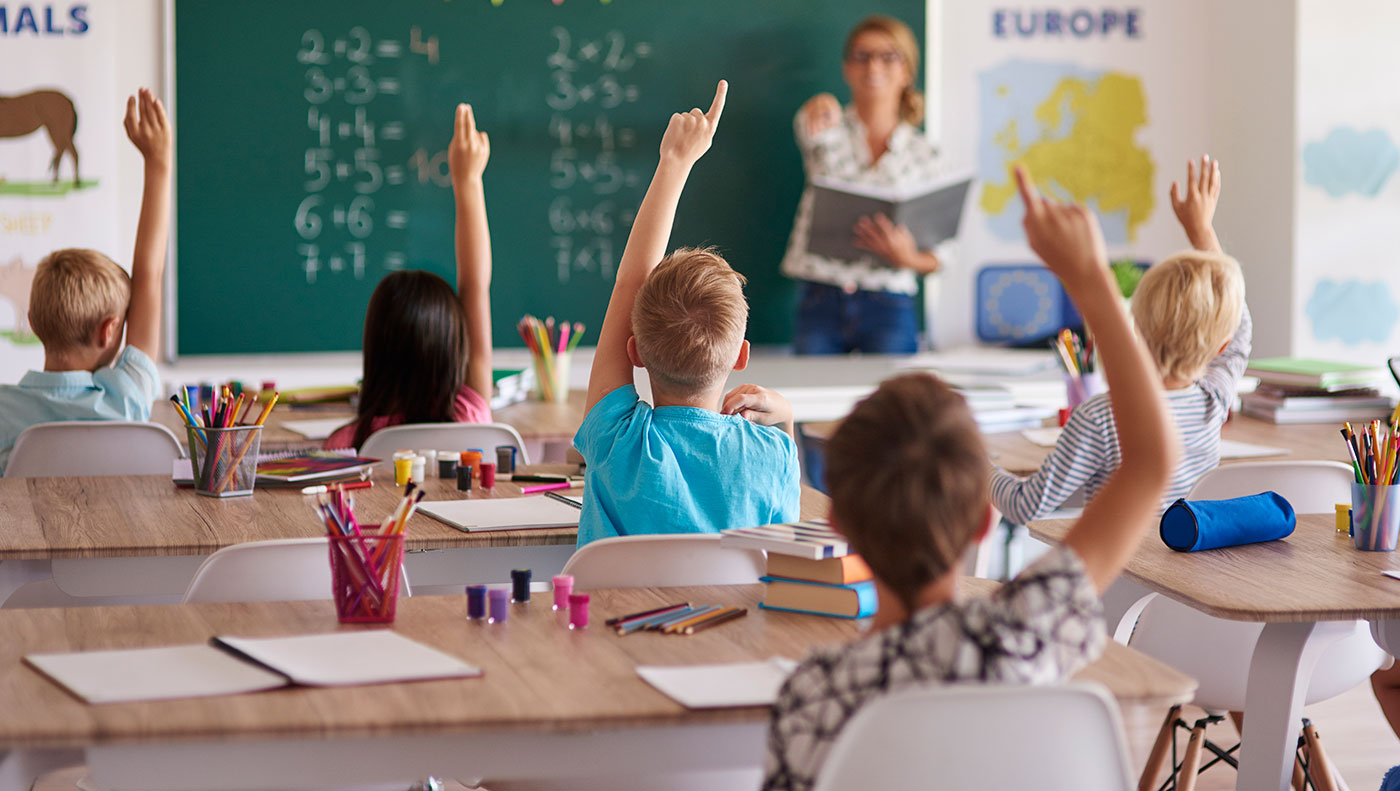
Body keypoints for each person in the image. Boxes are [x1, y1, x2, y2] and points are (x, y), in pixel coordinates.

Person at [762, 167, 1179, 790]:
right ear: (985, 517)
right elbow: (1151, 463)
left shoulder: (816, 695)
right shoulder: (1023, 634)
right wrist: (1091, 282)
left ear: (838, 524)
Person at [573, 80, 801, 548]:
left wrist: (673, 164)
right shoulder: (771, 455)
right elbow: (784, 553)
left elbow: (627, 285)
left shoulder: (619, 444)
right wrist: (786, 420)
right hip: (731, 622)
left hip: (611, 623)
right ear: (740, 355)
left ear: (634, 351)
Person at [990, 155, 1250, 524]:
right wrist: (1201, 230)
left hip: (1115, 576)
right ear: (1220, 346)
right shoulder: (1214, 403)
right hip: (1181, 576)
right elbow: (1240, 329)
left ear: (1136, 327)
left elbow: (1023, 505)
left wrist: (976, 465)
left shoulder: (1100, 417)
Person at [0, 89, 171, 475]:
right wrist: (158, 160)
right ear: (111, 330)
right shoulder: (126, 399)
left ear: (32, 319)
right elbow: (150, 274)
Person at [326, 104, 494, 451]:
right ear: (454, 347)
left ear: (375, 349)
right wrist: (468, 181)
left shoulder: (349, 444)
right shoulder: (470, 416)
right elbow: (475, 285)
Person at [782, 14, 947, 355]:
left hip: (890, 302)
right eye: (862, 55)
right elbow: (807, 125)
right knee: (813, 402)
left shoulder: (925, 154)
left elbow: (941, 256)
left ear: (907, 71)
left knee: (896, 406)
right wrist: (818, 106)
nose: (873, 66)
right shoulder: (826, 127)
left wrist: (908, 257)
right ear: (846, 68)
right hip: (820, 296)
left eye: (888, 56)